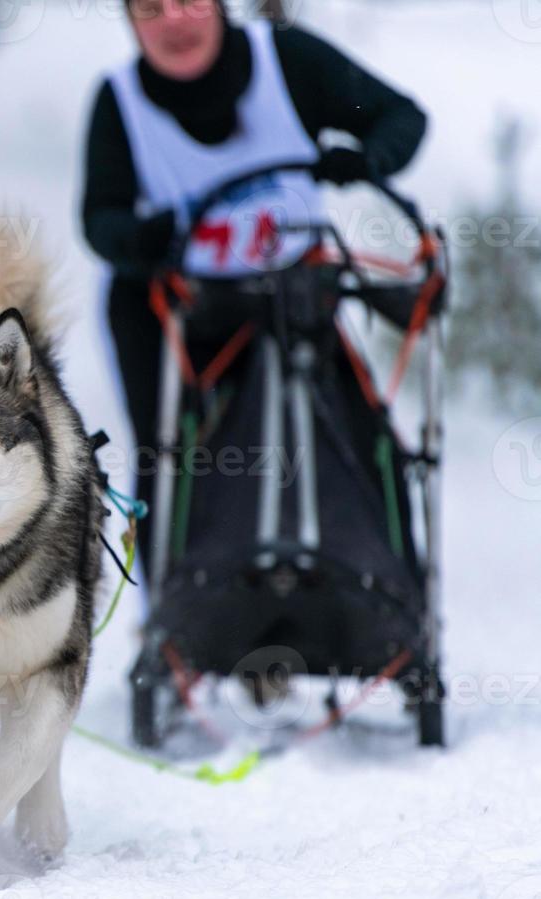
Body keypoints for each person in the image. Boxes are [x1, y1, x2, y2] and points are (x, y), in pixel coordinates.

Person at [80, 0, 427, 561]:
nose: (173, 20)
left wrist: (368, 158)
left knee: (368, 444)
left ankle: (397, 595)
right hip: (181, 313)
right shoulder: (118, 101)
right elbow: (99, 219)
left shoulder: (286, 59)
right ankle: (169, 618)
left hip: (296, 299)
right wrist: (138, 237)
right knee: (165, 458)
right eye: (149, 8)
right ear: (130, 22)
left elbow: (400, 116)